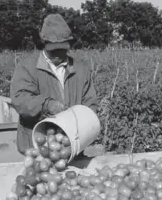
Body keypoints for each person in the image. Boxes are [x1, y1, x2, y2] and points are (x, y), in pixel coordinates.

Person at [10, 13, 98, 155]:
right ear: (44, 44)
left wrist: (82, 121)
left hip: (71, 145)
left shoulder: (81, 69)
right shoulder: (27, 68)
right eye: (53, 50)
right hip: (37, 147)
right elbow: (20, 100)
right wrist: (46, 105)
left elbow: (90, 103)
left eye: (61, 49)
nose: (58, 54)